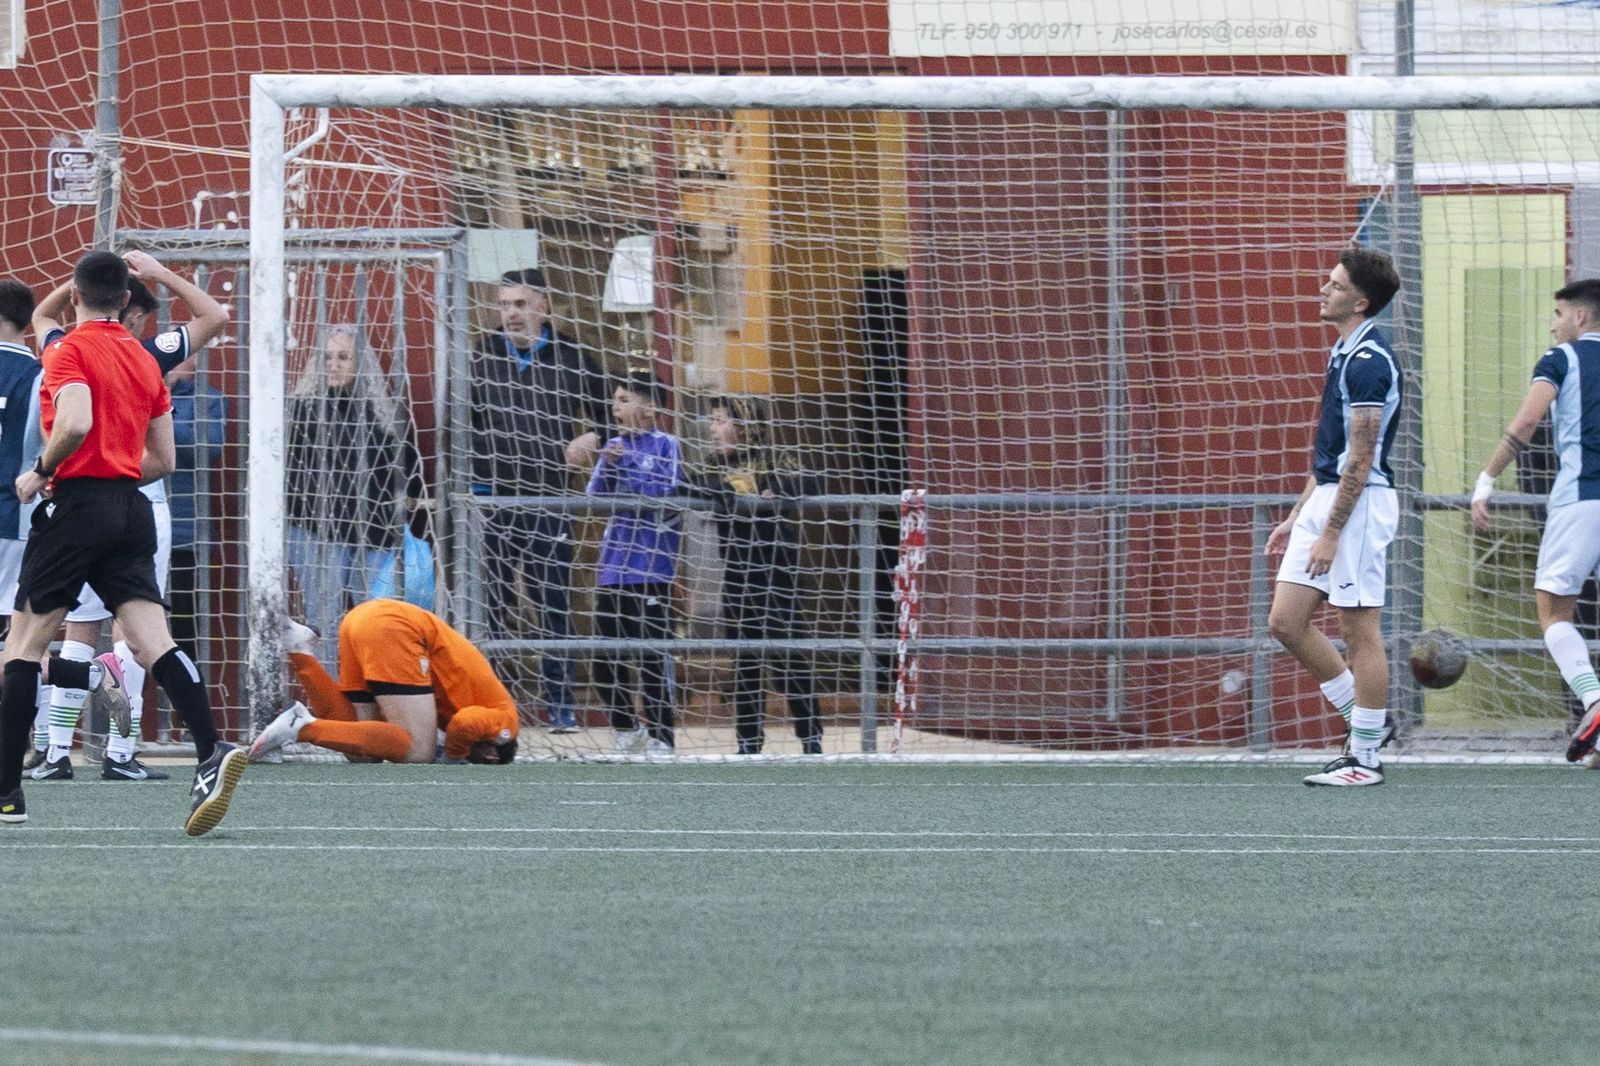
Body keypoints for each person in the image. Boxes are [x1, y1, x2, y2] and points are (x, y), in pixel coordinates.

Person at [0, 250, 246, 831]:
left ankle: (8, 792)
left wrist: (43, 468)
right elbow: (164, 458)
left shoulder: (65, 348)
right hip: (131, 508)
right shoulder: (143, 359)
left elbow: (76, 419)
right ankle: (211, 750)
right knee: (152, 642)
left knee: (23, 647)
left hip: (76, 506)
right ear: (127, 303)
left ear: (79, 296)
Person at [1265, 245, 1403, 787]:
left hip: (1361, 504)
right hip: (1330, 496)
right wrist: (1300, 512)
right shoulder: (1344, 350)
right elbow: (1336, 452)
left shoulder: (1370, 362)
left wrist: (1331, 530)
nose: (1324, 290)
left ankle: (1364, 759)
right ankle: (1368, 724)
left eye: (1337, 285)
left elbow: (1363, 457)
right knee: (1286, 621)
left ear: (1362, 302)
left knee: (1358, 630)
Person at [469, 267, 611, 733]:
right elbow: (463, 423)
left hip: (549, 502)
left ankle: (561, 707)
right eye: (504, 304)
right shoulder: (482, 353)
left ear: (543, 307)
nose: (510, 313)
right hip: (493, 502)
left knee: (554, 605)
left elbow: (612, 415)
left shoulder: (573, 356)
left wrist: (591, 436)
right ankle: (489, 709)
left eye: (520, 304)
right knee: (492, 608)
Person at [1471, 278, 1600, 761]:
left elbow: (1527, 423)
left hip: (1581, 500)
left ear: (1580, 318)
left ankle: (1593, 701)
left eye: (1558, 313)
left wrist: (1486, 479)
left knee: (1553, 613)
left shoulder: (1560, 359)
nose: (1554, 323)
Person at [688, 397, 823, 754]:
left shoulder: (772, 458)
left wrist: (779, 490)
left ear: (745, 426)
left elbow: (811, 481)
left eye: (721, 421)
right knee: (745, 661)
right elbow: (689, 484)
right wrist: (719, 491)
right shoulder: (713, 466)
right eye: (712, 422)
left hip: (778, 573)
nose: (713, 430)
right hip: (738, 574)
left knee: (789, 657)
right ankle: (748, 742)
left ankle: (811, 737)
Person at [285, 324, 420, 665]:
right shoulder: (300, 411)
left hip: (371, 537)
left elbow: (407, 477)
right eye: (327, 357)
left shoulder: (383, 416)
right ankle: (332, 705)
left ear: (361, 363)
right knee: (323, 624)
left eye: (343, 357)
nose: (333, 364)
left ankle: (370, 701)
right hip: (315, 534)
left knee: (374, 623)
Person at [249, 601, 519, 765]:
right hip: (394, 626)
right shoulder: (506, 725)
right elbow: (466, 724)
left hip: (360, 620)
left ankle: (299, 650)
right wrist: (453, 757)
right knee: (418, 752)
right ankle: (302, 728)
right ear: (492, 756)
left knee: (362, 753)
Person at [586, 370, 682, 755]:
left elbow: (664, 492)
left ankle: (662, 736)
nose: (616, 407)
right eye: (615, 399)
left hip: (651, 569)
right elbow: (593, 496)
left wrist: (627, 469)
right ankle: (626, 729)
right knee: (605, 657)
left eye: (624, 399)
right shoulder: (613, 445)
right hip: (613, 570)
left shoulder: (666, 445)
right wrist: (608, 464)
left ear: (648, 407)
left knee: (651, 657)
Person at [166, 352, 227, 683]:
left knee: (184, 627)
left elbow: (207, 447)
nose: (171, 363)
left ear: (197, 363)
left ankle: (183, 715)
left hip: (185, 534)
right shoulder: (139, 390)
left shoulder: (211, 400)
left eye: (181, 357)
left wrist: (159, 412)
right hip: (136, 529)